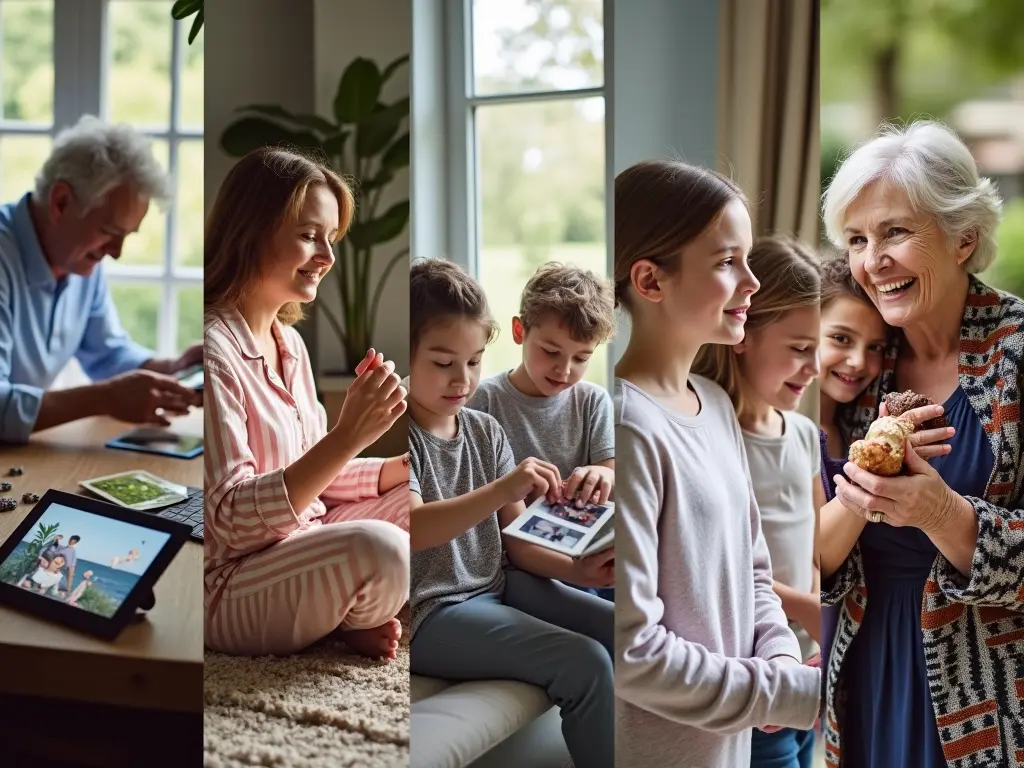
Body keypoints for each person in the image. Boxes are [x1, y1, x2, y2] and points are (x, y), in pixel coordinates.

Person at [819, 120, 1024, 768]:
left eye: (895, 232)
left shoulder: (1016, 354)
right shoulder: (857, 364)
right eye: (857, 239)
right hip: (864, 675)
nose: (871, 260)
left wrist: (940, 513)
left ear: (963, 238)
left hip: (992, 696)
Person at [613, 160, 820, 767]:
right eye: (729, 262)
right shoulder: (630, 427)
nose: (752, 283)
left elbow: (754, 572)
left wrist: (781, 661)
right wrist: (795, 691)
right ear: (650, 280)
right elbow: (636, 654)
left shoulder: (718, 409)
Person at [204, 147, 409, 660]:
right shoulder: (212, 353)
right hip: (234, 579)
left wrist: (394, 470)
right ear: (252, 229)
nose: (328, 257)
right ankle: (343, 620)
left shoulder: (289, 344)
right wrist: (348, 436)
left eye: (331, 239)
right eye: (308, 235)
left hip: (305, 539)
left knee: (423, 496)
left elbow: (314, 475)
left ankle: (338, 616)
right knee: (382, 549)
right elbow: (229, 520)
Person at [407, 258, 614, 768]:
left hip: (497, 586)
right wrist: (503, 487)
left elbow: (517, 543)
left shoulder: (484, 430)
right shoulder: (399, 437)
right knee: (584, 661)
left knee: (626, 629)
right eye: (442, 362)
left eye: (475, 361)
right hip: (431, 611)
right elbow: (414, 527)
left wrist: (579, 570)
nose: (463, 379)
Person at [692, 235, 823, 768]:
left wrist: (817, 636)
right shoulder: (708, 436)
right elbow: (715, 568)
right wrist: (804, 610)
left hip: (807, 669)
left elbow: (816, 546)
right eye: (798, 348)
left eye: (818, 348)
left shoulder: (806, 435)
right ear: (743, 333)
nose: (813, 367)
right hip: (756, 675)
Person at [0, 115, 202, 444]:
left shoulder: (77, 259)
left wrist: (173, 368)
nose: (117, 252)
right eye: (109, 232)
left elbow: (109, 355)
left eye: (126, 236)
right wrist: (102, 398)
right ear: (61, 202)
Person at [467, 261, 616, 599]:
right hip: (520, 563)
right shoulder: (483, 402)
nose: (564, 370)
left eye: (581, 358)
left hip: (587, 549)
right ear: (520, 332)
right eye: (551, 352)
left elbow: (612, 473)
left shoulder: (593, 401)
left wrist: (603, 476)